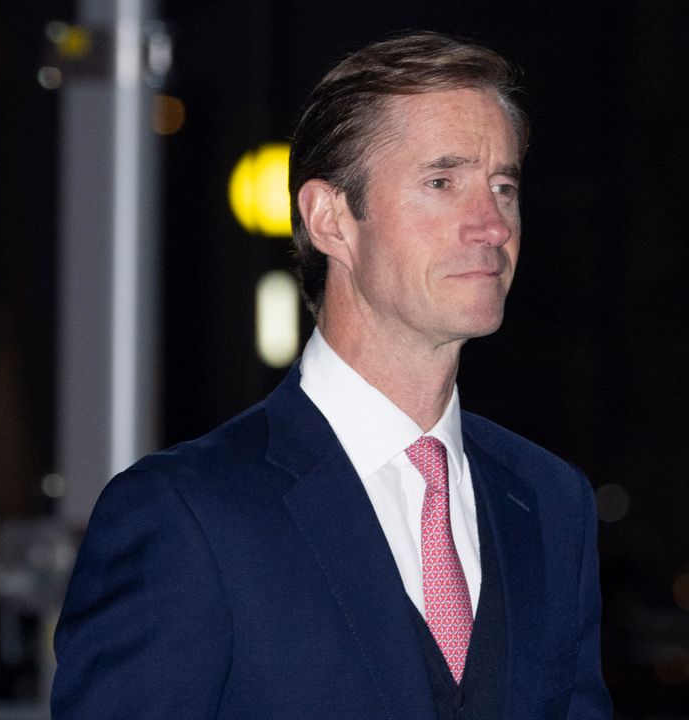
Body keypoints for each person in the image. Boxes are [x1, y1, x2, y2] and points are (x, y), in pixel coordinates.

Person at [52, 31, 610, 719]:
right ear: (330, 219)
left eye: (503, 186)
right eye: (442, 182)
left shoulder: (551, 503)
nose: (491, 224)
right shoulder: (187, 514)